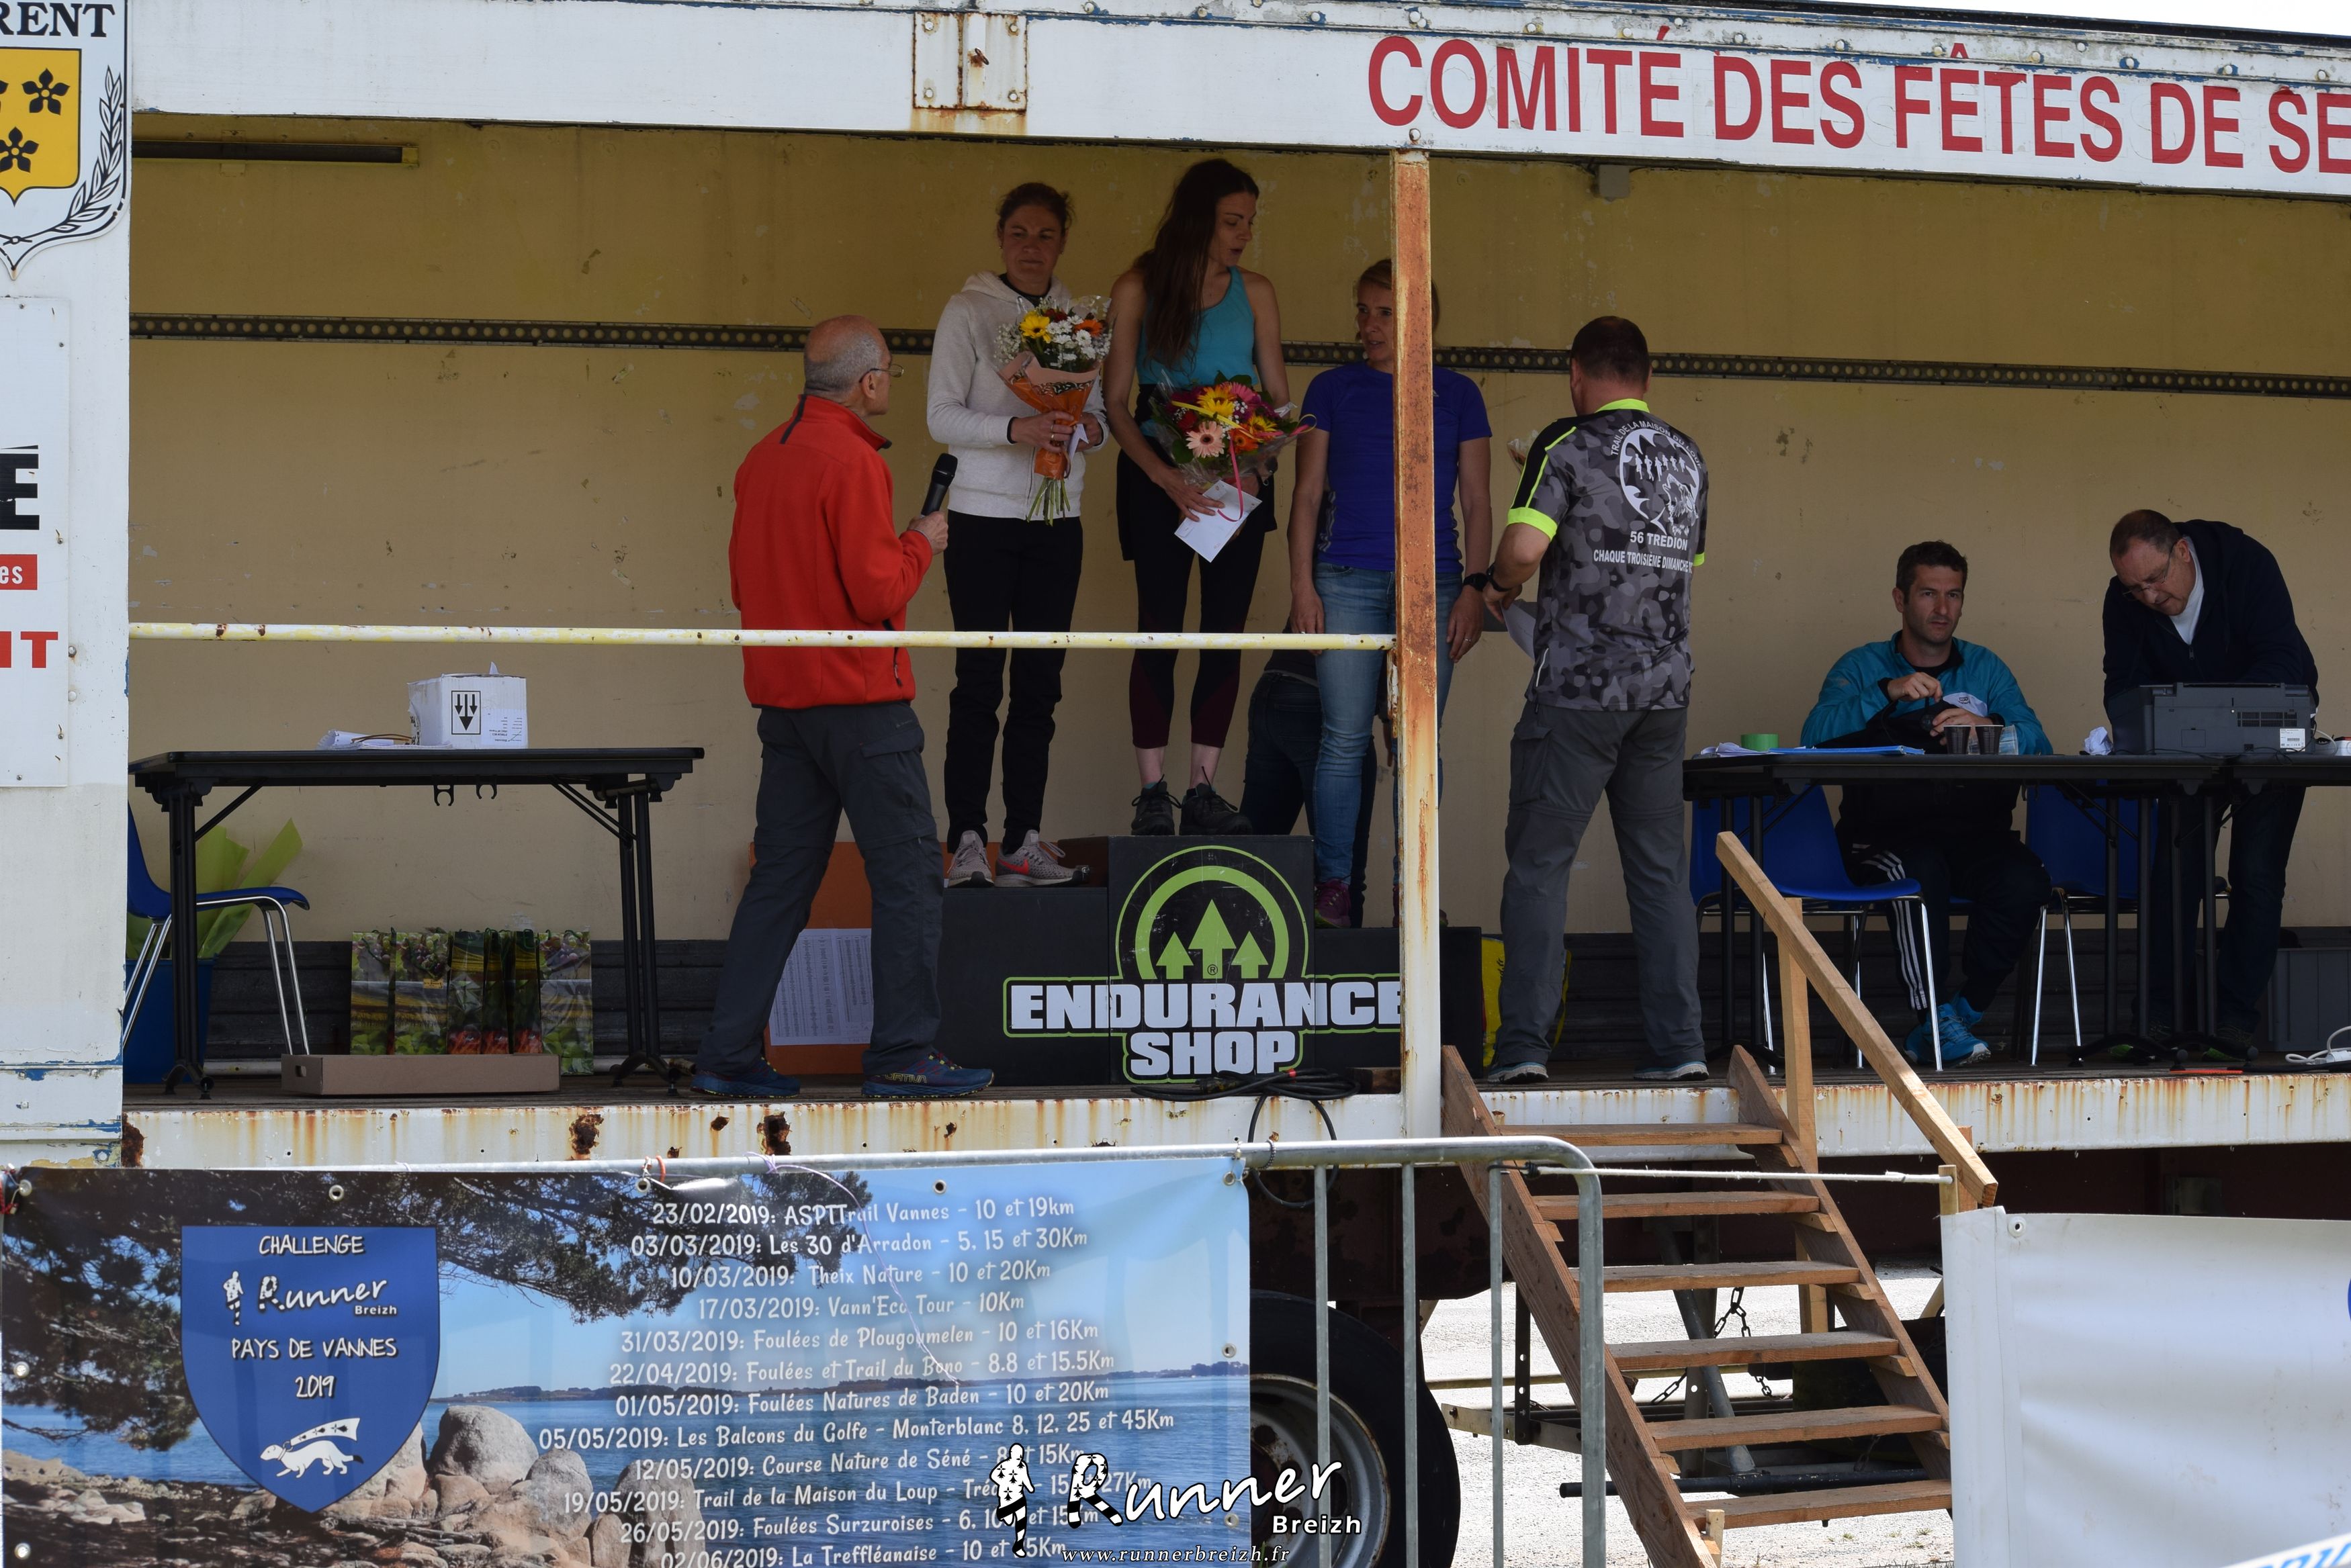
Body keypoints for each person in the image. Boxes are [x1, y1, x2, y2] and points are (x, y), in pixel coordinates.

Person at [689, 316, 993, 1101]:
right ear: (869, 382)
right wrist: (921, 540)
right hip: (861, 703)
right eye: (889, 370)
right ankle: (901, 1053)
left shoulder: (762, 458)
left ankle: (726, 1054)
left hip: (785, 703)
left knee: (781, 881)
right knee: (908, 876)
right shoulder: (854, 461)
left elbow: (744, 585)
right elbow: (876, 590)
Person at [1481, 317, 1710, 1084]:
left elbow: (1523, 549)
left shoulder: (1566, 443)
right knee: (1660, 873)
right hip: (1663, 696)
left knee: (1540, 868)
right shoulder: (1687, 457)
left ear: (1576, 373)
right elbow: (1679, 564)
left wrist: (1496, 586)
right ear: (1646, 376)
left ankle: (1523, 1048)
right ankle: (1680, 1047)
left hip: (1576, 694)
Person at [1288, 259, 1492, 928]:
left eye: (1383, 312)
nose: (1367, 325)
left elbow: (1477, 499)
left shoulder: (1458, 392)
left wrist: (1474, 587)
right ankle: (1334, 887)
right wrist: (1301, 585)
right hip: (1343, 578)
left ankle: (1413, 889)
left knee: (1417, 743)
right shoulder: (1331, 386)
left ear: (1418, 319)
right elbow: (1306, 495)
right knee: (1343, 739)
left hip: (1433, 585)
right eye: (1362, 310)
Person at [1802, 541, 2054, 1068]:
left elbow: (2039, 741)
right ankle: (1934, 1019)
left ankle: (1961, 1012)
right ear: (1900, 599)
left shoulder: (1985, 668)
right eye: (1928, 594)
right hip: (1882, 839)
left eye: (1953, 595)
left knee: (2026, 879)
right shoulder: (1862, 665)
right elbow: (1814, 736)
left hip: (1975, 837)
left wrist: (1990, 727)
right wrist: (1887, 692)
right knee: (1920, 874)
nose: (1942, 608)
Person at [1103, 157, 1289, 837]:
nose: (1244, 234)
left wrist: (1259, 463)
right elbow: (1115, 402)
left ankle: (1202, 790)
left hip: (1238, 479)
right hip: (1160, 477)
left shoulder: (1257, 291)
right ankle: (1153, 793)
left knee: (1223, 631)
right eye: (1231, 222)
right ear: (1196, 220)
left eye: (1249, 222)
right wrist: (1166, 478)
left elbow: (1279, 398)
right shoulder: (1137, 287)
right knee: (1158, 628)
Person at [927, 183, 1106, 891]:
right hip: (979, 520)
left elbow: (1096, 415)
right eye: (1020, 234)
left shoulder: (1077, 320)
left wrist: (1082, 429)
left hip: (1057, 520)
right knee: (978, 683)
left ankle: (1023, 839)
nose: (1032, 247)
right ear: (1001, 239)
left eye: (1046, 235)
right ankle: (967, 840)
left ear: (1062, 242)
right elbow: (940, 415)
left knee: (1040, 687)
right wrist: (1017, 427)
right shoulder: (967, 309)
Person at [2106, 509, 2317, 1057]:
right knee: (2173, 874)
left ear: (2182, 551)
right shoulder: (2124, 598)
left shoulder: (2247, 565)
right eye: (2135, 588)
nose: (2149, 597)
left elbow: (2283, 664)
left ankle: (2234, 1023)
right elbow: (2122, 687)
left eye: (2156, 580)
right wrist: (2152, 727)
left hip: (2271, 739)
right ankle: (2158, 1018)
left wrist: (2202, 714)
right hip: (2185, 750)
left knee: (2257, 874)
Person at [1235, 641, 1379, 923]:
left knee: (1253, 865)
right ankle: (1339, 953)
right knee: (1342, 884)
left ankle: (1237, 946)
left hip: (1273, 685)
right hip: (1323, 699)